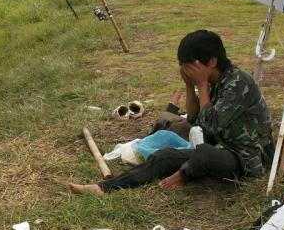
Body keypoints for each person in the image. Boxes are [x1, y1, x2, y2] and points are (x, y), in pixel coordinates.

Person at [69, 30, 273, 195]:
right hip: (221, 146)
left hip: (245, 159)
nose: (186, 71)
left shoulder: (239, 82)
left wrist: (201, 85)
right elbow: (196, 121)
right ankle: (104, 188)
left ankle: (184, 175)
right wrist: (189, 86)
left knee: (204, 154)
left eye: (190, 67)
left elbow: (210, 125)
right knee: (164, 155)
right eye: (183, 68)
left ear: (211, 62)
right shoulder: (216, 81)